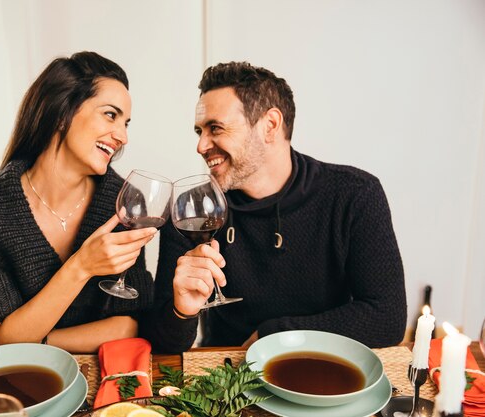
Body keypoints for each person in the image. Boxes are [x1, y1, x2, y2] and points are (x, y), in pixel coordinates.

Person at [141, 61, 407, 352]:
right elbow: (164, 345)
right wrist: (182, 311)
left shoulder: (354, 194)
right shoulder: (191, 209)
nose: (201, 145)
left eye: (215, 128)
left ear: (269, 126)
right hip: (226, 375)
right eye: (199, 131)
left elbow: (387, 318)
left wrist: (277, 336)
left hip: (322, 365)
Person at [0, 52, 158, 353]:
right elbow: (3, 338)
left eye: (126, 123)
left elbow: (127, 326)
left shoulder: (123, 201)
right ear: (62, 112)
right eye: (110, 115)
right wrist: (81, 266)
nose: (123, 136)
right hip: (17, 381)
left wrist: (38, 338)